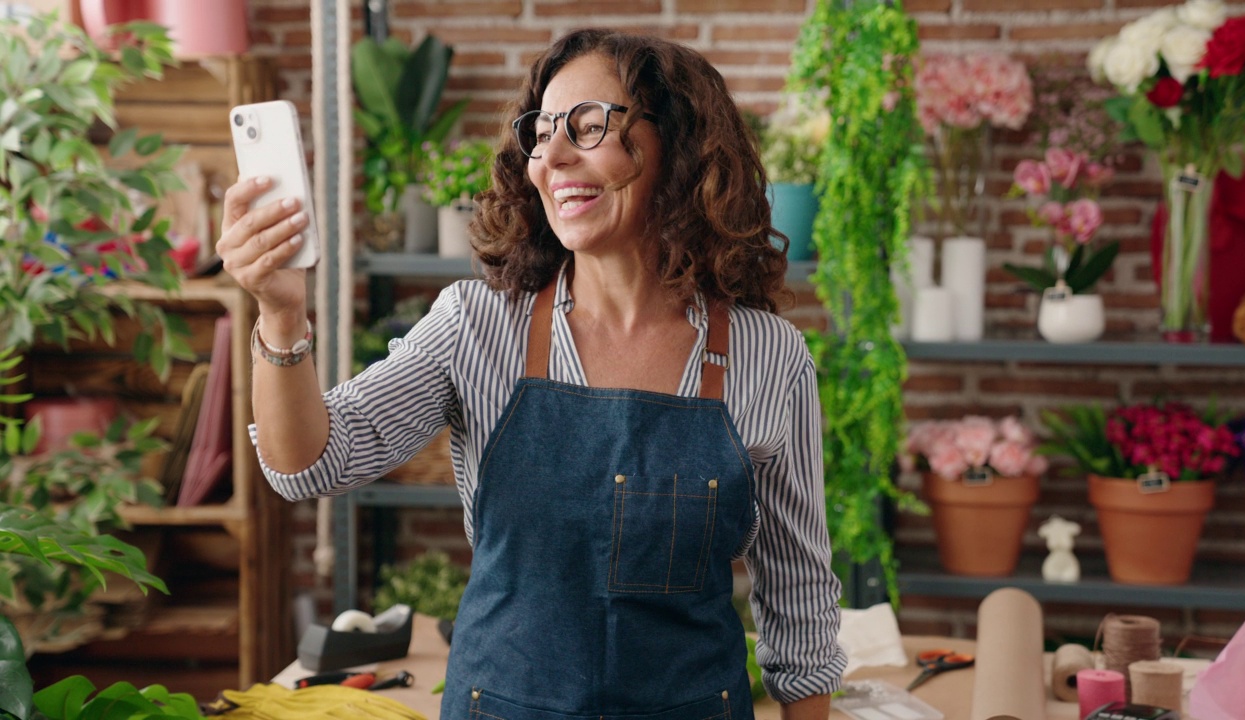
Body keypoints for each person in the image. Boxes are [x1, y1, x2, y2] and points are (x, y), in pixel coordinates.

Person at [217, 27, 846, 719]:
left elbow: (798, 592)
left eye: (588, 125)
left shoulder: (770, 356)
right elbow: (306, 465)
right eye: (541, 133)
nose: (554, 157)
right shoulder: (476, 325)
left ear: (680, 145)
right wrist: (280, 317)